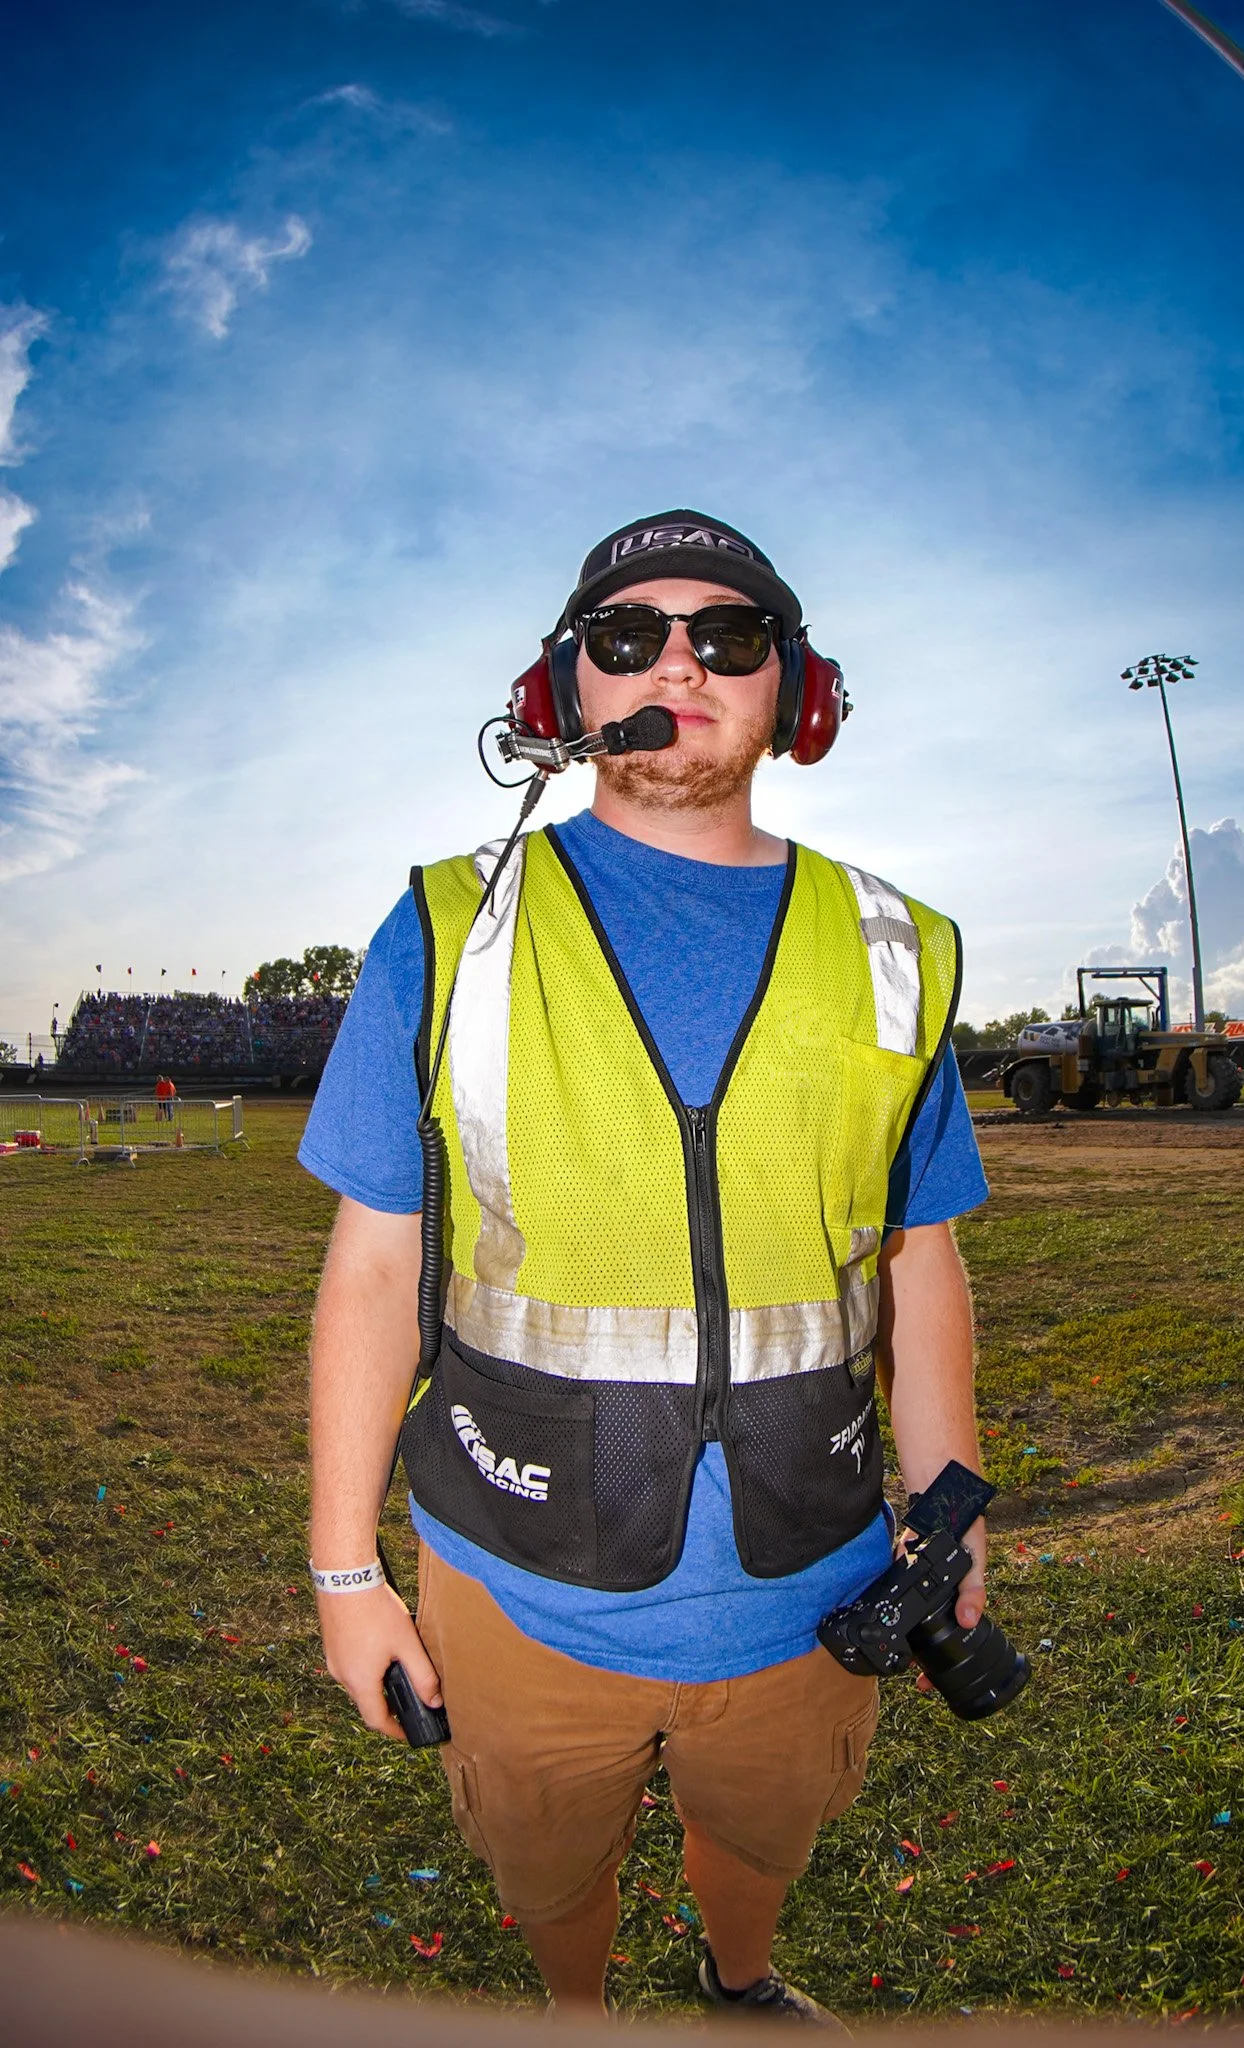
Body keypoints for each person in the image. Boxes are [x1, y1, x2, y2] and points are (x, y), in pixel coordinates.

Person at [300, 511, 990, 2025]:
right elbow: (371, 1265)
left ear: (795, 696)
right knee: (546, 1869)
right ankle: (578, 2011)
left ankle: (737, 1981)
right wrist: (347, 1572)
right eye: (629, 636)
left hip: (813, 1572)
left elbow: (920, 1255)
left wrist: (948, 1508)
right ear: (562, 695)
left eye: (727, 635)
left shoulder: (897, 947)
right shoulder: (449, 927)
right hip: (514, 1572)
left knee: (763, 1834)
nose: (678, 659)